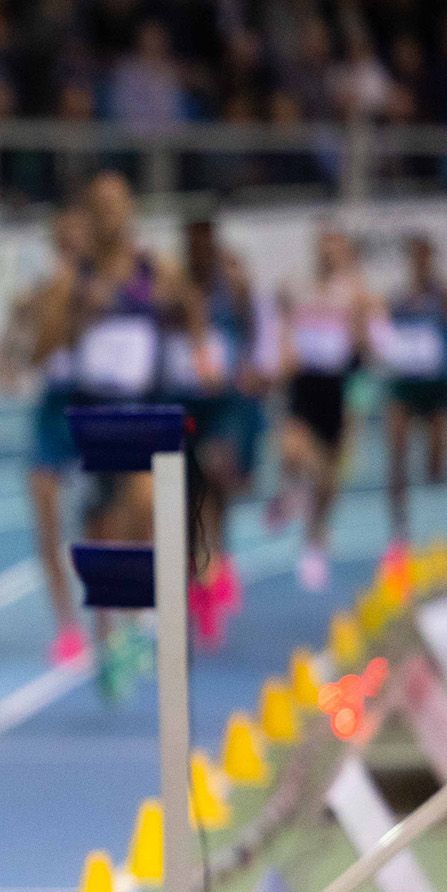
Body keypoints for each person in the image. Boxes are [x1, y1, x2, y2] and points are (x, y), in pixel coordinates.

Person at [50, 169, 194, 695]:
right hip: (91, 417)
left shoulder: (154, 268)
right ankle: (110, 640)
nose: (109, 215)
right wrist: (76, 318)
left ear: (130, 209)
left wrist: (191, 337)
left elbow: (189, 309)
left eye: (117, 204)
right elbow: (48, 344)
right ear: (89, 214)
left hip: (140, 411)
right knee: (99, 533)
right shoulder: (75, 276)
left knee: (144, 502)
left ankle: (139, 620)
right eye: (99, 205)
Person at [168, 216, 265, 647]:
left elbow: (250, 331)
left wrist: (247, 367)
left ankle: (218, 561)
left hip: (223, 402)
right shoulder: (174, 288)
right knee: (188, 495)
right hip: (183, 401)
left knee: (216, 480)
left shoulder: (234, 288)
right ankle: (203, 573)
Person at [275, 226, 377, 592]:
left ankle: (314, 541)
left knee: (330, 480)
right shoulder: (300, 288)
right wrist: (284, 352)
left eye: (338, 249)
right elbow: (285, 328)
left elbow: (367, 351)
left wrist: (361, 321)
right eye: (325, 248)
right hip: (305, 382)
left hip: (338, 387)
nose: (330, 256)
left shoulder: (357, 295)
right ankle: (293, 491)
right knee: (292, 447)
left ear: (346, 254)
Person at [15, 200, 93, 665]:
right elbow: (27, 354)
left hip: (94, 405)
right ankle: (68, 628)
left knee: (102, 522)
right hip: (51, 409)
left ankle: (120, 615)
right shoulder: (43, 293)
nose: (68, 248)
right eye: (60, 241)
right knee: (47, 524)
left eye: (75, 239)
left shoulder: (108, 288)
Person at [380, 233, 447, 550]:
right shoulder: (396, 298)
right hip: (404, 385)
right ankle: (399, 527)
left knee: (437, 465)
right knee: (396, 453)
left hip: (438, 388)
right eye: (414, 258)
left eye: (425, 258)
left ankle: (438, 520)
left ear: (431, 260)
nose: (420, 264)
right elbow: (380, 335)